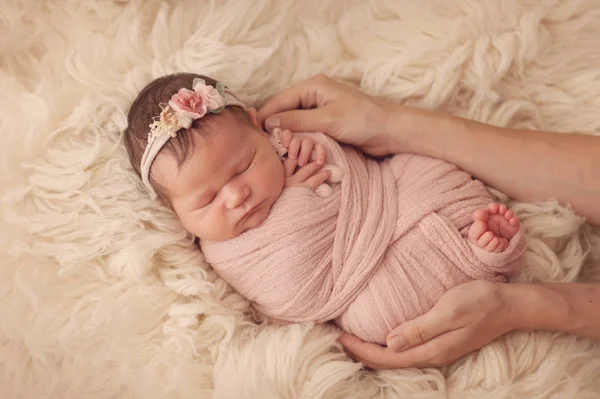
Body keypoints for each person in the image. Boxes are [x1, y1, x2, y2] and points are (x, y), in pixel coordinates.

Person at [122, 73, 528, 347]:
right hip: (363, 285)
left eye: (244, 166)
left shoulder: (290, 145)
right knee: (375, 318)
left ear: (257, 128)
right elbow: (292, 296)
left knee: (426, 171)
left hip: (391, 195)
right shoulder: (224, 253)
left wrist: (320, 150)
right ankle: (481, 257)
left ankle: (479, 241)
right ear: (175, 213)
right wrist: (298, 202)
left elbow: (352, 165)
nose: (235, 196)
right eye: (207, 200)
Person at [256, 73, 600, 369]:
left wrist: (521, 308)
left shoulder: (296, 157)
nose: (235, 195)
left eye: (245, 165)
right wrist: (395, 125)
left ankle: (481, 249)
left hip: (401, 212)